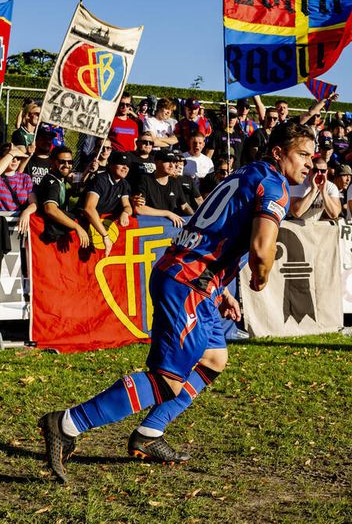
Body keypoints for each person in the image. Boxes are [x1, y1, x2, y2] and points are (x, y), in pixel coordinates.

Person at [38, 122, 315, 484]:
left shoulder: (249, 173)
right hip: (188, 283)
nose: (310, 163)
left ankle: (149, 434)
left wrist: (222, 289)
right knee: (167, 380)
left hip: (194, 278)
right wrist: (260, 277)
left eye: (313, 156)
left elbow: (215, 231)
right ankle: (67, 423)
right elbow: (262, 249)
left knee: (214, 359)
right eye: (304, 155)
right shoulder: (274, 185)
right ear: (278, 153)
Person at [76, 151, 133, 256]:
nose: (125, 167)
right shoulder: (100, 180)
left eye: (128, 165)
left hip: (99, 226)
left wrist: (125, 213)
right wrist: (105, 236)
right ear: (111, 165)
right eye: (121, 163)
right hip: (82, 222)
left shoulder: (124, 184)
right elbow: (89, 209)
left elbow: (127, 206)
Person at [34, 147, 89, 246]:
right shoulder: (52, 182)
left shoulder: (61, 179)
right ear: (53, 162)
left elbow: (78, 189)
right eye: (62, 162)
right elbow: (50, 209)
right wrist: (77, 227)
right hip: (45, 237)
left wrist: (89, 171)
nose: (67, 165)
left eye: (70, 162)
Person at [133, 151, 192, 227]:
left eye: (174, 162)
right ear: (156, 162)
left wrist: (195, 217)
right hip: (149, 228)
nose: (172, 165)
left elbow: (184, 206)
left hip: (169, 229)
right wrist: (167, 213)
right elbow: (139, 209)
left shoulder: (175, 182)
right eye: (167, 161)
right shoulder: (145, 180)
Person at [289, 156, 341, 220]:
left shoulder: (331, 187)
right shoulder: (299, 183)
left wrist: (323, 191)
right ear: (310, 170)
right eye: (315, 170)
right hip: (291, 224)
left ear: (326, 172)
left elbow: (334, 214)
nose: (319, 173)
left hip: (313, 226)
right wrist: (313, 190)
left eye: (322, 171)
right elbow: (296, 213)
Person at [0, 144, 37, 232]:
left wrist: (26, 212)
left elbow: (34, 203)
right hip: (1, 225)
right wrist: (12, 153)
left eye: (18, 157)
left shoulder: (25, 178)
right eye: (11, 157)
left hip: (20, 225)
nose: (15, 160)